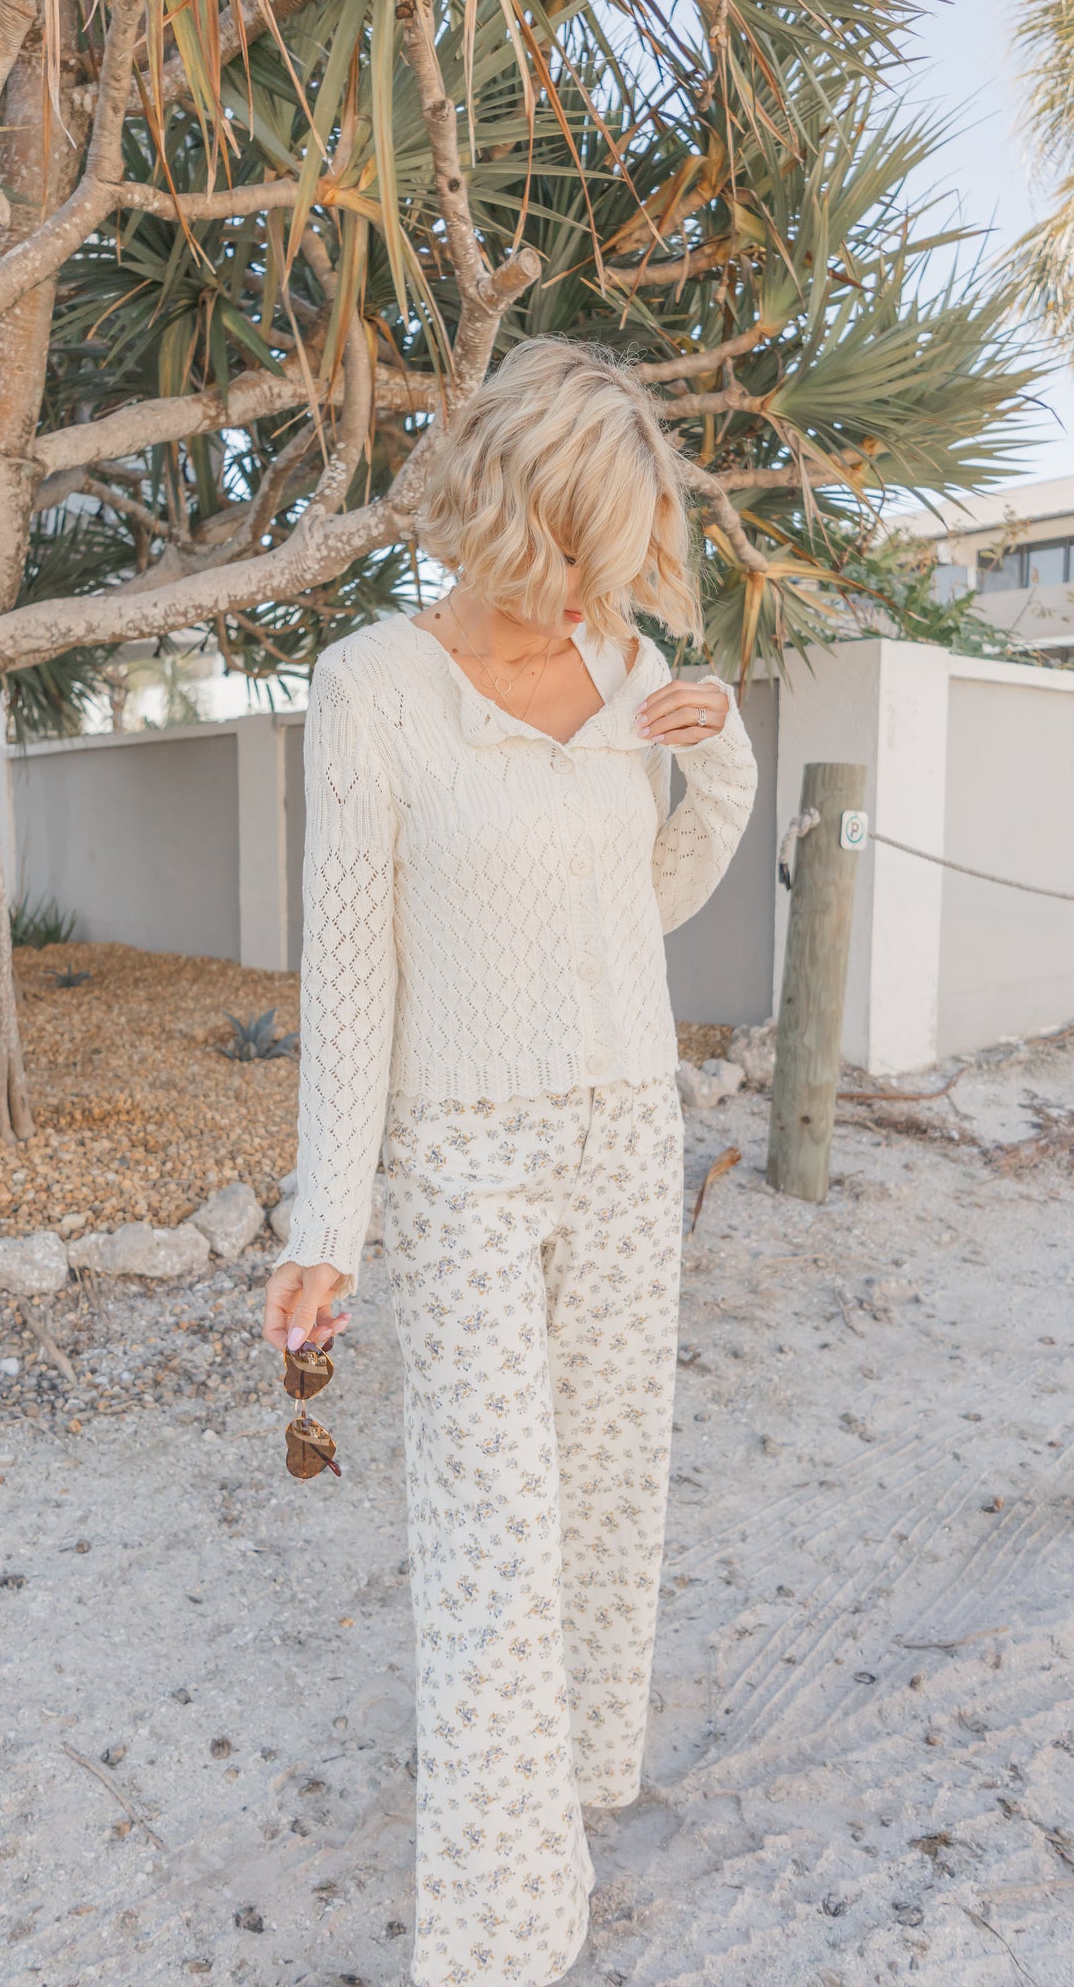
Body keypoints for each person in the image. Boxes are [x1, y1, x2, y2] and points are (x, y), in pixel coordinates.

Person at [263, 336, 759, 1986]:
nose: (586, 599)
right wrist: (324, 1226)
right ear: (500, 512)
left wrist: (717, 756)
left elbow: (644, 900)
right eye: (569, 560)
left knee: (607, 1494)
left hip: (625, 1130)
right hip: (461, 1153)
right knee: (487, 1530)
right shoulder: (371, 689)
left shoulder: (631, 665)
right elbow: (352, 972)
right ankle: (497, 1926)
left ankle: (578, 1780)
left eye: (610, 569)